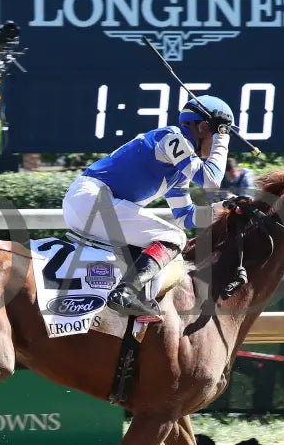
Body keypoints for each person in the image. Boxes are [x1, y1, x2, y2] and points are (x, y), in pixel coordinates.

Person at [62, 94, 233, 317]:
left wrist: (225, 209)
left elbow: (185, 216)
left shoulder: (178, 171)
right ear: (202, 127)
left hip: (89, 204)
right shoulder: (172, 137)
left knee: (171, 237)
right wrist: (222, 137)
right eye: (219, 133)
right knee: (176, 238)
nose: (219, 142)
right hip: (91, 199)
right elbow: (210, 180)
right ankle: (125, 294)